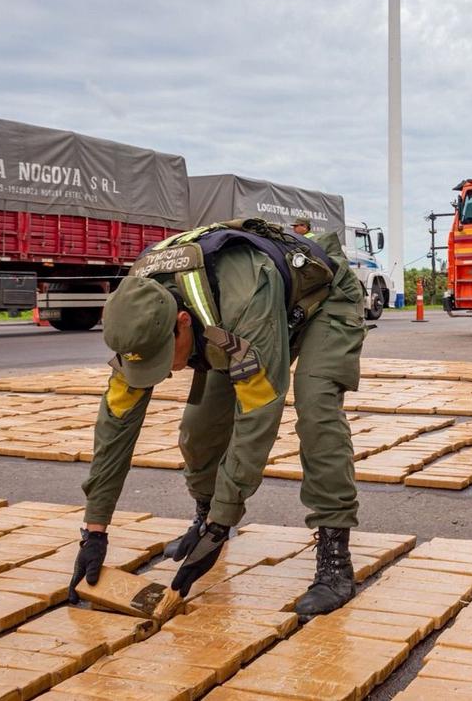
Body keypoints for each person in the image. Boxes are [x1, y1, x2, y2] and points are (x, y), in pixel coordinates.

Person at [68, 218, 367, 616]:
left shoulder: (245, 297)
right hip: (228, 323)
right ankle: (204, 516)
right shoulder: (137, 310)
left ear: (182, 323)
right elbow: (116, 425)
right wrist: (94, 529)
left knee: (316, 413)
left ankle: (334, 555)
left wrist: (224, 522)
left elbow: (258, 414)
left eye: (165, 360)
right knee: (199, 429)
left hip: (320, 300)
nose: (169, 373)